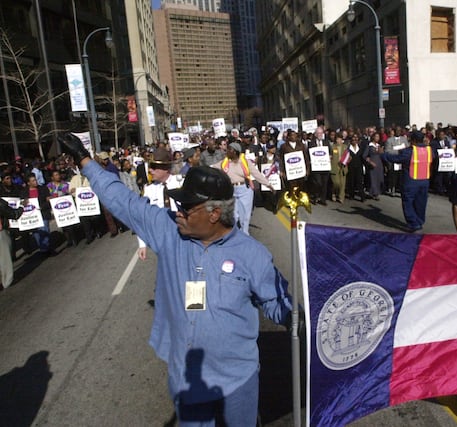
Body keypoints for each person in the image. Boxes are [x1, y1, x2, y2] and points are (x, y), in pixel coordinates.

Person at [58, 133, 292, 426]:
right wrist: (85, 160)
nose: (178, 212)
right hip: (187, 379)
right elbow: (122, 201)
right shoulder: (167, 231)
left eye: (186, 208)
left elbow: (276, 302)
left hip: (238, 379)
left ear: (214, 213)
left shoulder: (252, 254)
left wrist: (299, 319)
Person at [213, 142, 273, 234]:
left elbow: (256, 174)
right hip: (232, 191)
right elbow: (212, 168)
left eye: (230, 149)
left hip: (245, 190)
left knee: (245, 215)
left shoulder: (245, 161)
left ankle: (245, 234)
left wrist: (268, 184)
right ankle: (235, 233)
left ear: (235, 152)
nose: (227, 151)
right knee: (234, 215)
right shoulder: (225, 162)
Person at [382, 131, 433, 232]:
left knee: (408, 202)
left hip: (411, 180)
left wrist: (384, 155)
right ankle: (419, 221)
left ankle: (414, 223)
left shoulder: (409, 151)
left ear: (413, 140)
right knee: (421, 203)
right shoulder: (429, 150)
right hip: (424, 180)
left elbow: (396, 159)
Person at [138, 147, 182, 260]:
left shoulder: (181, 183)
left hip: (184, 236)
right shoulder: (149, 190)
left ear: (166, 168)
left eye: (154, 167)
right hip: (163, 240)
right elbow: (143, 217)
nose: (150, 170)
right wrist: (142, 244)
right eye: (150, 166)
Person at [25, 174, 54, 255]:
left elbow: (48, 201)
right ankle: (43, 248)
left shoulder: (43, 189)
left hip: (43, 213)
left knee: (45, 230)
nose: (35, 182)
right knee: (36, 233)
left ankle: (47, 249)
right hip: (32, 216)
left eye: (35, 180)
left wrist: (42, 206)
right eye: (33, 181)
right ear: (28, 183)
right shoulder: (24, 192)